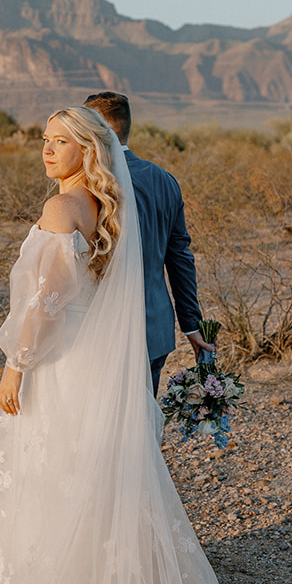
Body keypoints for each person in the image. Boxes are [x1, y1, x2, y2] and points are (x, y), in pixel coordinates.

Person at [0, 106, 292, 584]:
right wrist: (196, 330)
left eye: (61, 142)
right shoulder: (117, 199)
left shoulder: (63, 208)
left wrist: (15, 365)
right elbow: (174, 257)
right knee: (109, 471)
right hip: (112, 354)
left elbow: (47, 301)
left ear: (90, 147)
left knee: (63, 475)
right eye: (44, 140)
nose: (47, 150)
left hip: (63, 363)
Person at [82, 91, 211, 395]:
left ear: (97, 130)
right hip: (153, 328)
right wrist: (191, 325)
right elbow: (180, 257)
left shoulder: (86, 182)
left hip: (96, 330)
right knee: (139, 428)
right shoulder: (164, 180)